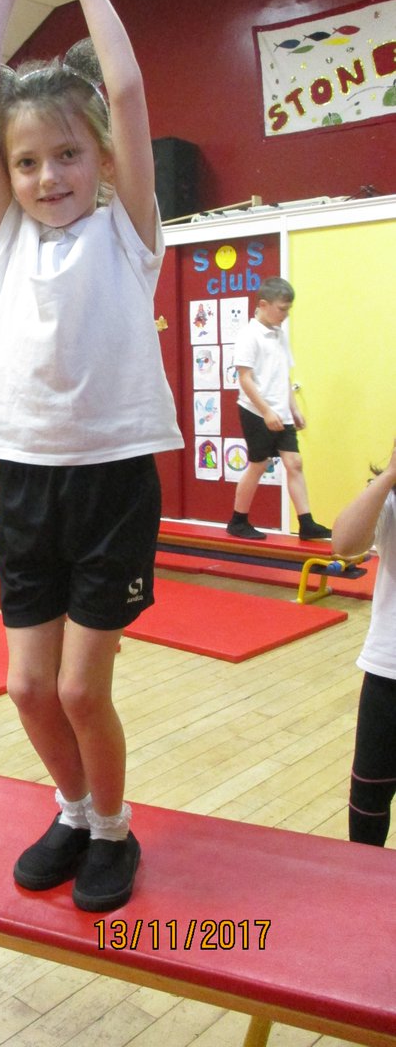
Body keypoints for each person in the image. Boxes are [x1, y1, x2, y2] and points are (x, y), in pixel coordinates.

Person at [0, 0, 182, 912]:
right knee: (25, 685)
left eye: (68, 156)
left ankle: (116, 829)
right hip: (29, 481)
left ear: (99, 160)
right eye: (29, 161)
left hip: (113, 484)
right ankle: (74, 809)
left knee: (85, 686)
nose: (49, 176)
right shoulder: (4, 243)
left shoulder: (128, 235)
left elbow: (128, 96)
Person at [227, 277, 330, 541]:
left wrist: (292, 408)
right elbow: (245, 379)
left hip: (280, 411)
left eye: (288, 310)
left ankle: (306, 523)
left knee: (294, 463)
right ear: (263, 304)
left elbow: (283, 374)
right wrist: (267, 411)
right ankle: (238, 520)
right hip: (255, 410)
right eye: (282, 309)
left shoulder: (279, 333)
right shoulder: (249, 336)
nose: (285, 315)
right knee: (258, 465)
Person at [332, 439, 396, 847]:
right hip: (389, 673)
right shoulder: (389, 500)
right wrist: (388, 477)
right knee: (369, 798)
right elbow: (344, 543)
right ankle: (362, 894)